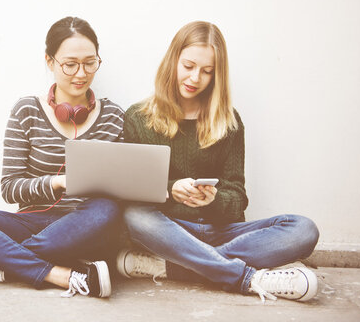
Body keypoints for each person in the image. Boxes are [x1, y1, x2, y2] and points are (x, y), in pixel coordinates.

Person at [116, 21, 320, 302]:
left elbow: (238, 198)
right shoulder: (138, 117)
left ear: (217, 75)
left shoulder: (229, 122)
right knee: (133, 216)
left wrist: (212, 200)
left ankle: (176, 268)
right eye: (188, 66)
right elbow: (132, 191)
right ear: (173, 60)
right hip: (171, 232)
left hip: (222, 232)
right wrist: (171, 189)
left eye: (207, 71)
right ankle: (246, 277)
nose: (195, 78)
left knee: (304, 229)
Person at [0, 16, 125, 298]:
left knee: (107, 209)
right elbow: (9, 188)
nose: (81, 73)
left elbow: (123, 189)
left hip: (85, 226)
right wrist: (57, 183)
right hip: (30, 223)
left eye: (90, 62)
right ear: (50, 61)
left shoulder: (113, 116)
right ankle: (62, 274)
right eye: (70, 64)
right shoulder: (26, 111)